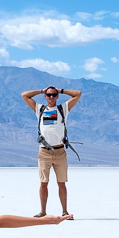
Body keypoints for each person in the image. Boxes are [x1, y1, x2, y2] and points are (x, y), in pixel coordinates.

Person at [21, 85, 82, 217]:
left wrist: (61, 90)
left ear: (57, 96)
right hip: (44, 153)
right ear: (45, 96)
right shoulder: (40, 109)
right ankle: (43, 212)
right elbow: (24, 95)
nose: (51, 97)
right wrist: (41, 90)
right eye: (49, 95)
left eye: (54, 95)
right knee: (43, 183)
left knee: (61, 183)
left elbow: (77, 94)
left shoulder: (62, 109)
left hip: (60, 152)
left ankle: (65, 211)